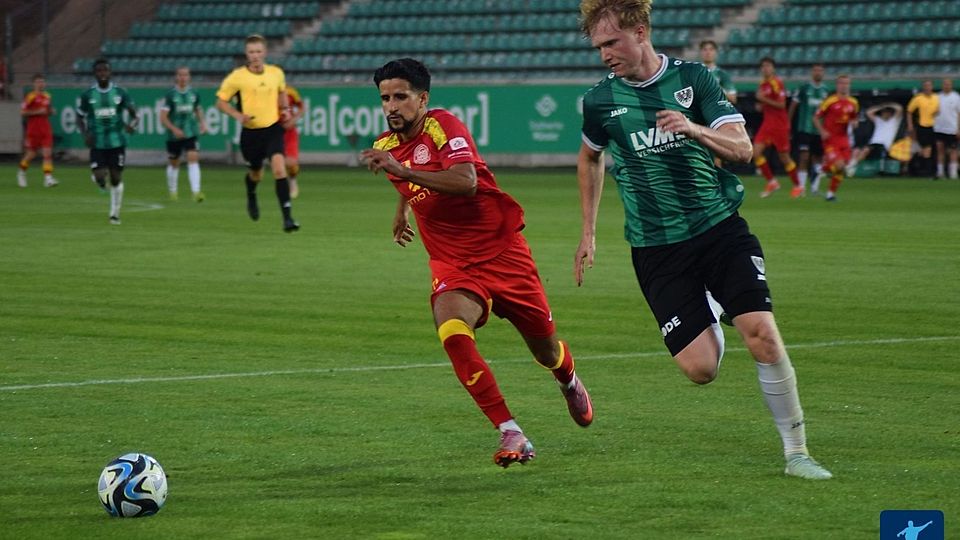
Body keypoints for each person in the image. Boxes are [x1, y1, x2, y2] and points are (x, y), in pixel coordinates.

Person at [576, 0, 831, 480]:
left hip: (718, 229)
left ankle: (797, 452)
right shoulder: (599, 102)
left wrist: (692, 127)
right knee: (700, 370)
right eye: (598, 46)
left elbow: (743, 149)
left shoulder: (695, 80)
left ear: (641, 30)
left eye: (612, 42)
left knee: (762, 335)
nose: (605, 54)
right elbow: (590, 158)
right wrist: (588, 231)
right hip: (655, 246)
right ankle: (716, 306)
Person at [360, 58, 593, 468]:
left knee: (545, 349)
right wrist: (402, 211)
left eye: (401, 96)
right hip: (453, 263)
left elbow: (465, 182)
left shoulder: (443, 126)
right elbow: (405, 173)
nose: (392, 106)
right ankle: (510, 430)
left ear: (423, 98)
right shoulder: (385, 147)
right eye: (385, 98)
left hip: (504, 253)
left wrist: (401, 171)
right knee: (451, 329)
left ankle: (568, 377)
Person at [216, 34, 299, 232]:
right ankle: (251, 193)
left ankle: (287, 218)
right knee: (256, 174)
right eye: (251, 52)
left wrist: (285, 109)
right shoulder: (237, 77)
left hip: (272, 129)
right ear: (246, 53)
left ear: (265, 53)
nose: (255, 55)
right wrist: (237, 115)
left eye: (258, 51)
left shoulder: (275, 73)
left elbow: (281, 93)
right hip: (251, 133)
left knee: (279, 169)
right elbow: (220, 102)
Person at [76, 58, 138, 225]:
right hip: (97, 142)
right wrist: (85, 134)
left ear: (110, 73)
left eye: (105, 70)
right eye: (99, 71)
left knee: (116, 178)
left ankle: (115, 213)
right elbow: (79, 117)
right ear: (95, 73)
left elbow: (135, 115)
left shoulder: (120, 93)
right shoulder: (88, 95)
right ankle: (98, 179)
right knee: (100, 176)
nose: (103, 73)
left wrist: (131, 125)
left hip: (117, 142)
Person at [753, 57, 803, 198]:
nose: (765, 68)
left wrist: (763, 100)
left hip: (780, 125)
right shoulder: (763, 84)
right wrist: (761, 106)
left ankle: (798, 186)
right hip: (768, 124)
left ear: (773, 68)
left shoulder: (777, 83)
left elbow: (782, 105)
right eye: (763, 66)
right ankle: (772, 181)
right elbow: (767, 105)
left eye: (768, 66)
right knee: (755, 152)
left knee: (784, 157)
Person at [159, 66, 206, 202]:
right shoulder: (170, 95)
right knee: (174, 163)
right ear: (176, 76)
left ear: (189, 77)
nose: (183, 78)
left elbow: (197, 109)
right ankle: (173, 191)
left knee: (193, 157)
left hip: (190, 132)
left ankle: (196, 192)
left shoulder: (194, 93)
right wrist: (174, 129)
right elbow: (163, 117)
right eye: (180, 75)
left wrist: (202, 123)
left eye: (186, 75)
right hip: (174, 135)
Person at [811, 75, 859, 201]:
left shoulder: (853, 102)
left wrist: (854, 123)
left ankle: (830, 192)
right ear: (837, 85)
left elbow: (854, 118)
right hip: (831, 139)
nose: (844, 86)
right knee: (839, 166)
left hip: (844, 139)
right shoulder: (830, 101)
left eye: (847, 83)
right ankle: (820, 171)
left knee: (842, 168)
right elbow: (815, 117)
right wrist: (822, 131)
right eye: (842, 83)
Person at [788, 64, 829, 193]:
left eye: (820, 70)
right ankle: (801, 187)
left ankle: (814, 187)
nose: (818, 73)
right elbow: (793, 106)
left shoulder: (826, 90)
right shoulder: (804, 88)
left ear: (823, 73)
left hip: (819, 130)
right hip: (804, 129)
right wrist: (788, 124)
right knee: (804, 157)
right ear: (812, 72)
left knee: (818, 158)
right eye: (816, 70)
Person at [699, 40, 737, 168]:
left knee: (716, 157)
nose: (708, 52)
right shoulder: (696, 72)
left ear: (715, 53)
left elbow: (733, 98)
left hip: (715, 118)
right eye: (705, 49)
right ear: (701, 52)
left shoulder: (722, 75)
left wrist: (714, 88)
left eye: (711, 49)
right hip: (698, 118)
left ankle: (718, 186)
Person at [17, 74, 58, 188]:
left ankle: (48, 178)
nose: (41, 84)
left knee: (47, 153)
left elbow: (47, 110)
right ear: (34, 84)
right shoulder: (30, 97)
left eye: (43, 82)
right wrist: (37, 112)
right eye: (39, 82)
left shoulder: (47, 96)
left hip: (45, 128)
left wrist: (51, 112)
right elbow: (23, 112)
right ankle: (21, 172)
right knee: (31, 154)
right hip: (33, 129)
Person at [847, 102, 903, 178]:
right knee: (856, 150)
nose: (885, 114)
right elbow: (869, 112)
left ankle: (851, 166)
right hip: (872, 144)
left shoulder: (894, 121)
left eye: (887, 112)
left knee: (866, 150)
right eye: (884, 112)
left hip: (883, 146)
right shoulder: (878, 120)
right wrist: (881, 107)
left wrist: (888, 105)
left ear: (891, 113)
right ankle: (852, 168)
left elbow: (899, 108)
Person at [906, 80, 939, 178]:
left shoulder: (936, 97)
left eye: (929, 85)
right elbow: (909, 111)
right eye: (925, 85)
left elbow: (938, 111)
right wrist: (910, 125)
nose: (927, 87)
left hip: (934, 127)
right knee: (926, 149)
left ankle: (929, 170)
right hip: (922, 126)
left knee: (931, 149)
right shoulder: (918, 98)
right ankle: (928, 172)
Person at [933, 78, 960, 180]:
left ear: (952, 85)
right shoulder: (937, 97)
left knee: (953, 151)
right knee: (940, 150)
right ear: (942, 85)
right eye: (945, 84)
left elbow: (959, 114)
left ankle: (953, 173)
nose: (946, 86)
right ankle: (940, 172)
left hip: (952, 128)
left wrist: (958, 128)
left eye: (948, 84)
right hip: (939, 128)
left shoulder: (956, 97)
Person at [281, 84, 304, 198]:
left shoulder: (290, 91)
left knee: (291, 162)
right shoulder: (266, 91)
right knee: (278, 162)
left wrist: (293, 120)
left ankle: (293, 179)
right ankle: (283, 187)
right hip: (273, 131)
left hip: (289, 132)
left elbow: (302, 107)